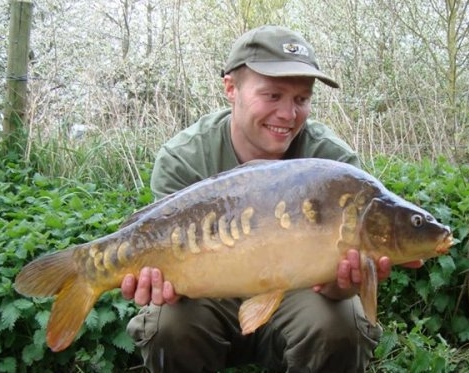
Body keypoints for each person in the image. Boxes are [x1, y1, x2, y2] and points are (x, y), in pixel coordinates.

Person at [121, 25, 422, 373]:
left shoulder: (335, 165)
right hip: (207, 298)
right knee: (167, 326)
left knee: (343, 325)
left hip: (300, 294)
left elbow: (342, 292)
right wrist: (158, 283)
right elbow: (168, 268)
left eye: (301, 99)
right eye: (273, 95)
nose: (288, 114)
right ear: (231, 88)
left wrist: (345, 287)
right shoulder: (185, 158)